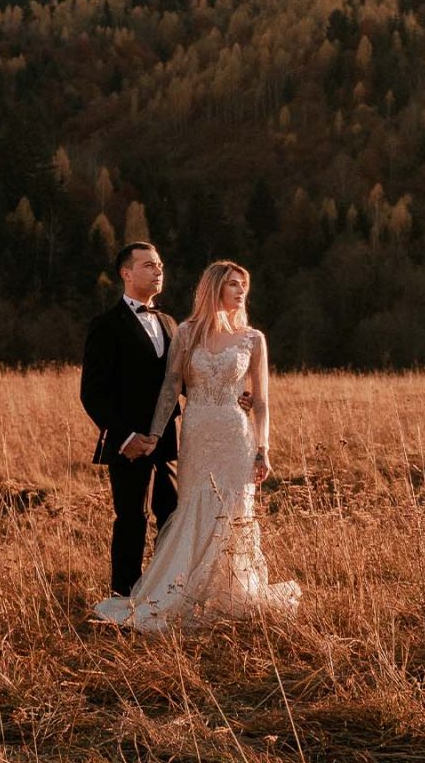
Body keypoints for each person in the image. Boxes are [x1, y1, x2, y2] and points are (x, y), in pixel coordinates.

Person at [91, 259, 300, 630]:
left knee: (235, 512)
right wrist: (155, 434)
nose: (240, 292)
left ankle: (231, 593)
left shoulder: (254, 339)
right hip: (198, 431)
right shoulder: (186, 333)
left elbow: (263, 400)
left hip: (236, 434)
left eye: (244, 286)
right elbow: (171, 389)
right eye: (234, 284)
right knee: (193, 509)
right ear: (215, 287)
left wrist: (263, 448)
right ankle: (180, 591)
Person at [79, 241, 180, 598]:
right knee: (131, 520)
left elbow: (180, 382)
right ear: (126, 273)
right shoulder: (105, 325)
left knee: (172, 517)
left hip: (167, 438)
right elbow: (92, 393)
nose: (158, 271)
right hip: (126, 443)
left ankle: (165, 590)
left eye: (160, 265)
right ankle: (124, 597)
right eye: (149, 265)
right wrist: (124, 438)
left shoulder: (169, 323)